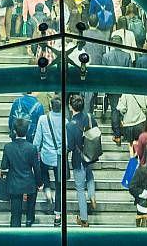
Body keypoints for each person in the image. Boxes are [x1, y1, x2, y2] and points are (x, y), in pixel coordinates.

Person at [65, 95, 98, 227]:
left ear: (71, 106)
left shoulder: (70, 125)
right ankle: (92, 195)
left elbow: (71, 146)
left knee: (79, 189)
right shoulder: (90, 117)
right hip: (90, 154)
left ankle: (84, 219)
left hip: (78, 158)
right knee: (89, 174)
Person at [1, 118, 39, 227]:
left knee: (15, 215)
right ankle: (29, 222)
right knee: (30, 210)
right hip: (29, 183)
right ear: (27, 131)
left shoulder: (8, 147)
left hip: (14, 184)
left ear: (14, 131)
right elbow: (36, 168)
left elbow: (4, 166)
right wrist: (40, 183)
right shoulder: (32, 148)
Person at [33, 96, 64, 225]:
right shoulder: (65, 121)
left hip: (46, 155)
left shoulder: (43, 119)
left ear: (51, 106)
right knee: (59, 186)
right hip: (59, 158)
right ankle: (57, 215)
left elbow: (37, 140)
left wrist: (35, 150)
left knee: (44, 171)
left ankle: (47, 190)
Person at [102, 37, 132, 142]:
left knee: (114, 109)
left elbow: (104, 74)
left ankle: (117, 134)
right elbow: (130, 74)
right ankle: (126, 132)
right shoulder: (127, 56)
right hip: (124, 88)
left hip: (111, 88)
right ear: (122, 44)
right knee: (125, 110)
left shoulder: (106, 56)